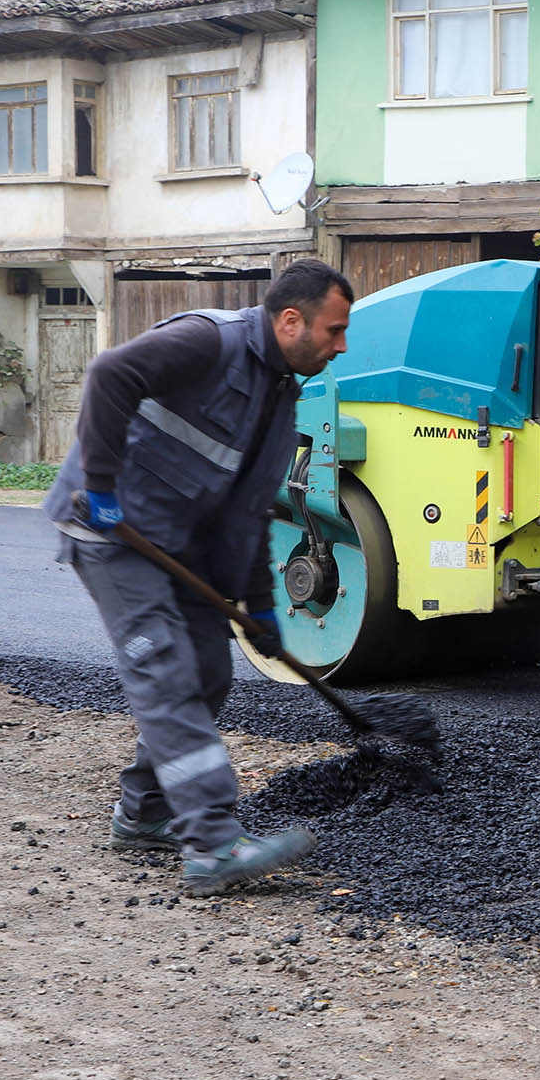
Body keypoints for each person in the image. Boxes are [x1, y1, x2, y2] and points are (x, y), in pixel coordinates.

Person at [39, 259, 354, 896]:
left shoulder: (280, 396)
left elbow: (249, 512)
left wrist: (262, 607)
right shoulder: (208, 340)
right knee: (166, 671)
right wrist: (100, 484)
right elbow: (110, 373)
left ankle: (146, 812)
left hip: (179, 548)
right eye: (333, 330)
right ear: (290, 320)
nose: (340, 345)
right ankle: (211, 843)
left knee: (210, 672)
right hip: (111, 531)